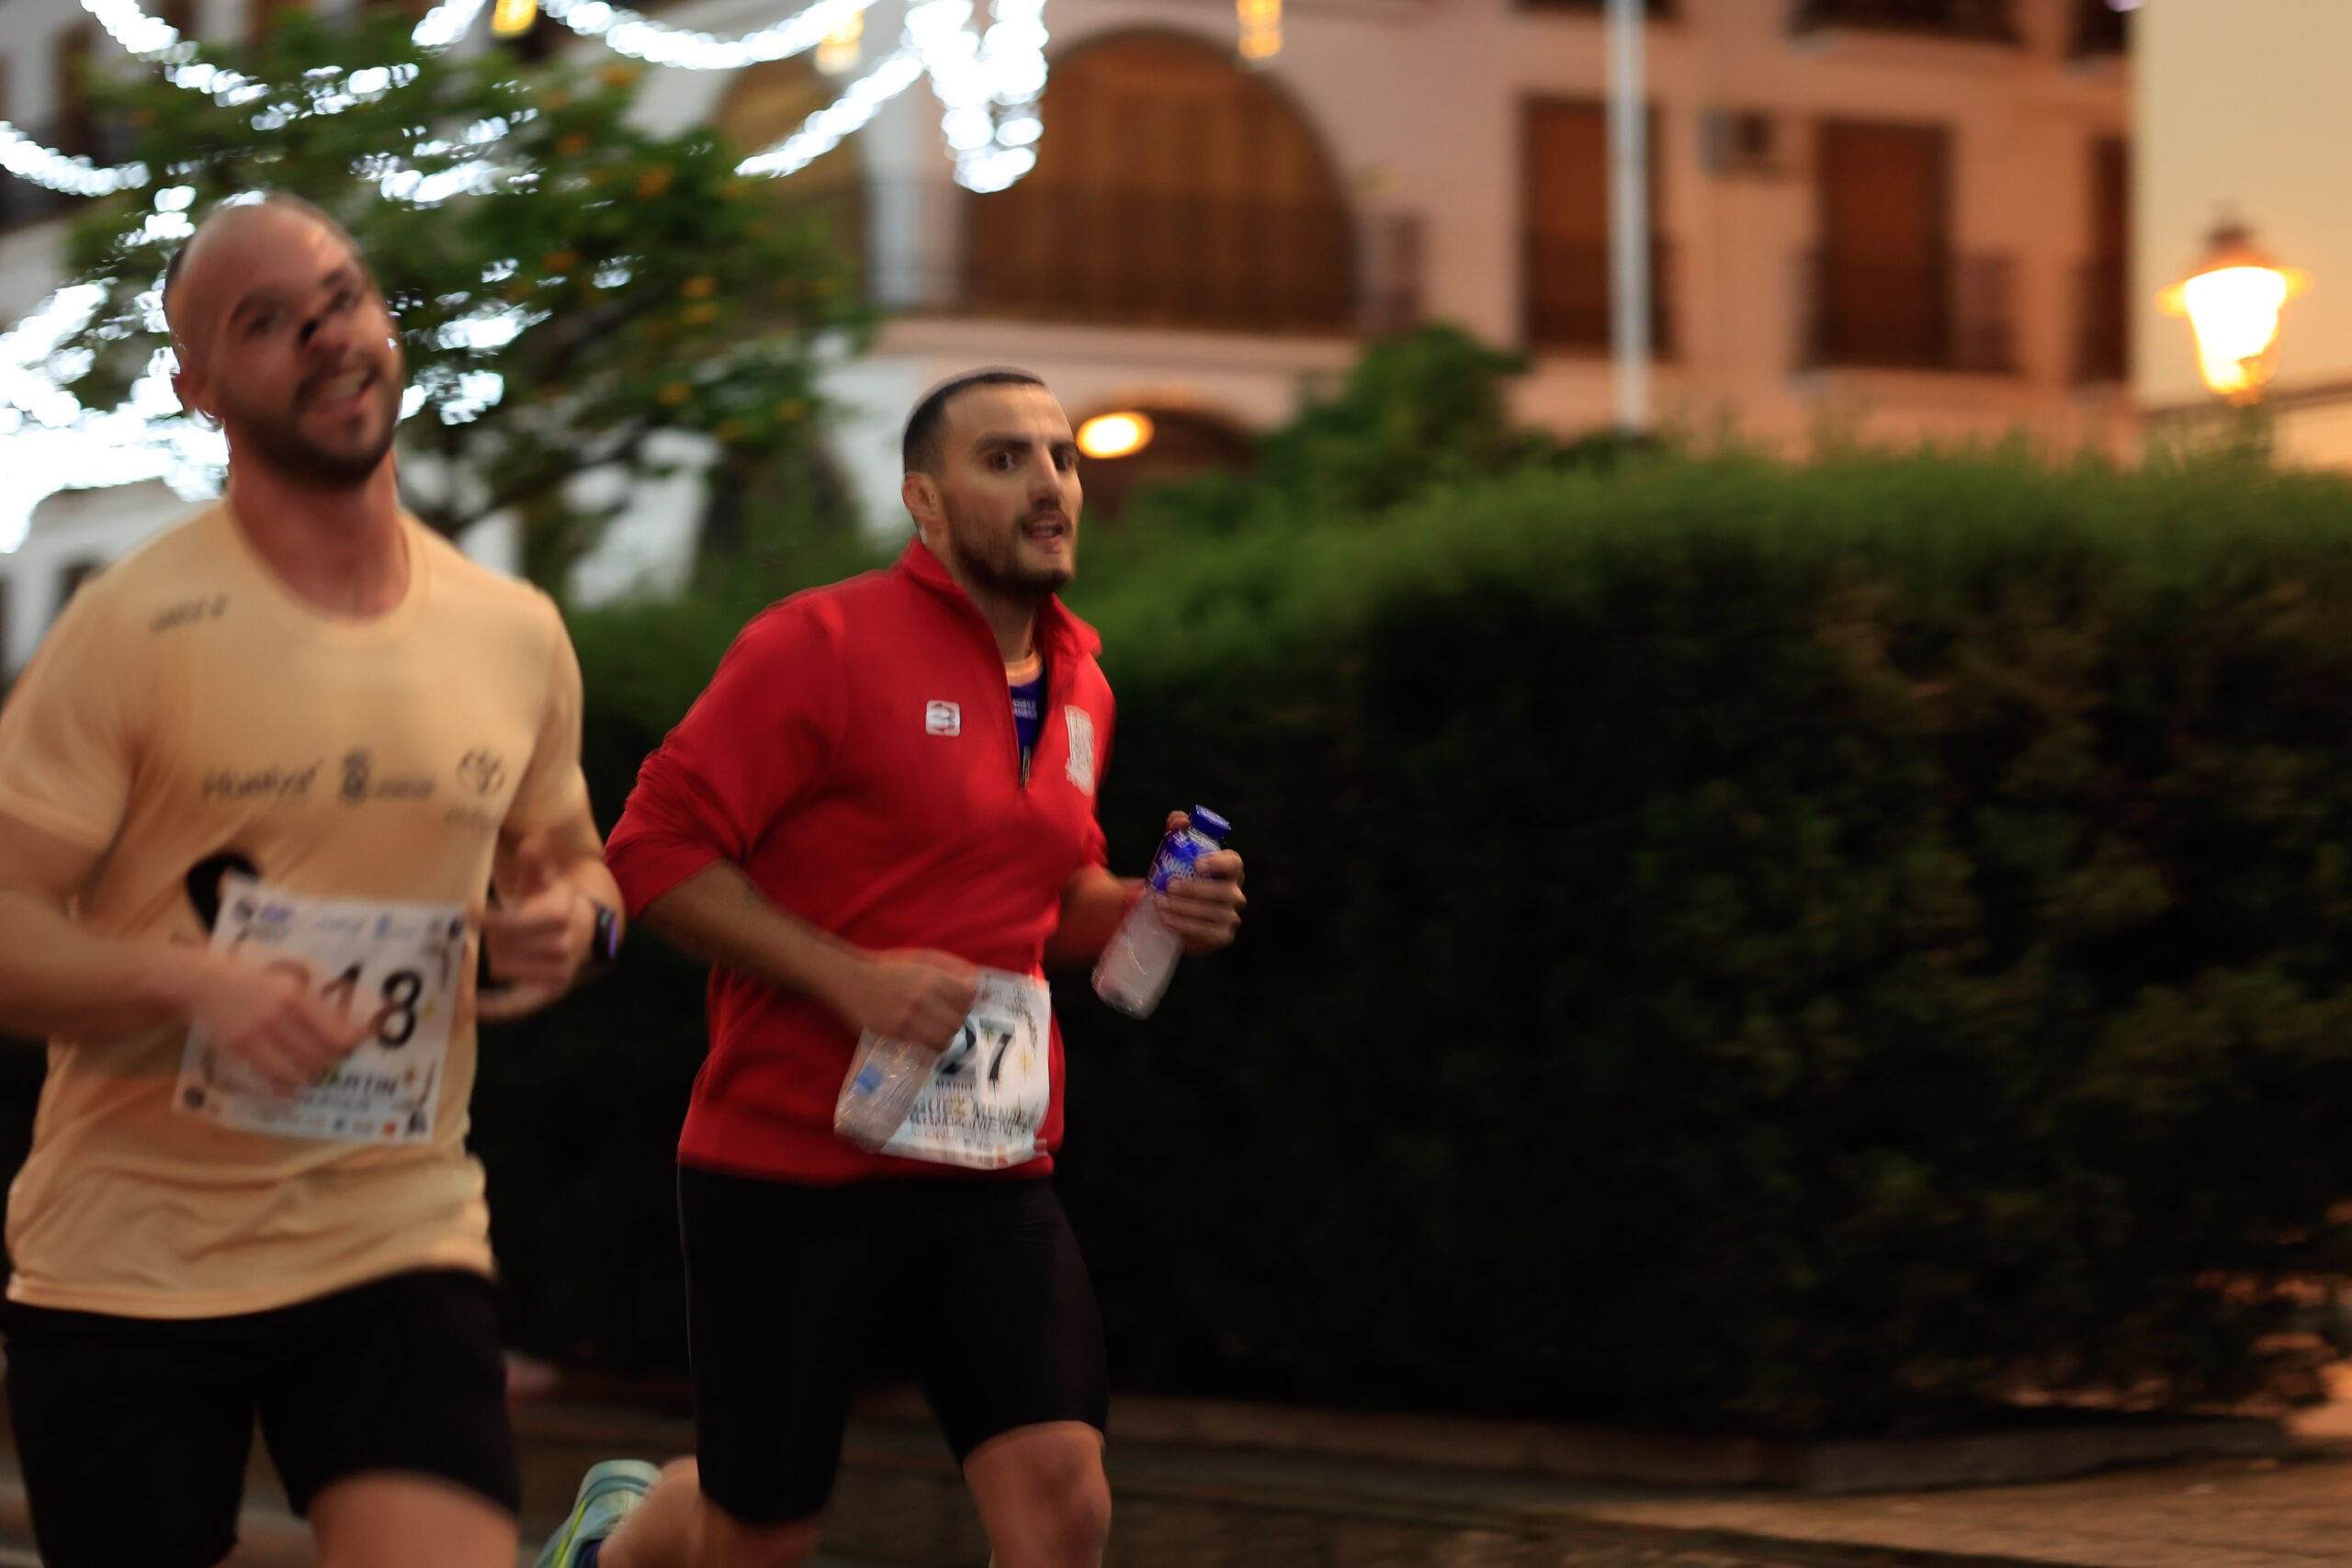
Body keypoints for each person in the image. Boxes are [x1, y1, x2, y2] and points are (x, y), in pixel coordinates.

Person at [0, 194, 623, 1568]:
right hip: (131, 1263)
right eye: (266, 322)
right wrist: (188, 984)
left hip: (394, 1234)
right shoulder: (131, 628)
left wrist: (580, 924)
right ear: (200, 389)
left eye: (341, 296)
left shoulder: (512, 632)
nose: (327, 335)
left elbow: (578, 866)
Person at [536, 368, 1247, 1568]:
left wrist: (1149, 907)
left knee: (1066, 1503)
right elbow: (651, 853)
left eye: (1062, 458)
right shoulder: (818, 645)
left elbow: (1049, 900)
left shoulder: (1084, 684)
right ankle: (616, 1536)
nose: (1048, 484)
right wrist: (850, 978)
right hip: (788, 1165)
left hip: (989, 1163)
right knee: (756, 1536)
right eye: (1004, 459)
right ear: (925, 501)